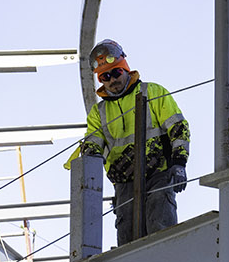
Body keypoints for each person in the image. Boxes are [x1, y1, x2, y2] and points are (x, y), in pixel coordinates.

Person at [71, 39, 190, 245]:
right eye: (105, 77)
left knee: (160, 227)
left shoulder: (151, 92)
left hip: (158, 173)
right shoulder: (99, 113)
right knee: (127, 239)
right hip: (124, 182)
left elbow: (178, 128)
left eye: (116, 73)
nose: (112, 80)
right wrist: (89, 159)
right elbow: (92, 144)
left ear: (125, 69)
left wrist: (179, 164)